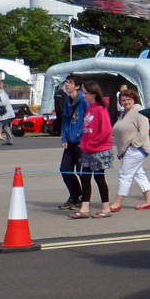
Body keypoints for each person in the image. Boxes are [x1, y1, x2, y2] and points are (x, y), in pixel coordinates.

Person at [72, 81, 114, 219]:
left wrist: (92, 143)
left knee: (99, 177)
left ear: (94, 94)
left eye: (86, 93)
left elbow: (106, 131)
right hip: (88, 149)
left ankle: (106, 208)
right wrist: (84, 143)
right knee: (85, 177)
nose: (84, 95)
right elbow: (87, 130)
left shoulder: (101, 108)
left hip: (99, 149)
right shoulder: (90, 108)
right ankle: (85, 208)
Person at [110, 88, 150, 211]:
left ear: (134, 99)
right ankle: (149, 200)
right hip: (127, 149)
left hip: (136, 149)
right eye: (123, 100)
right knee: (139, 174)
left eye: (129, 99)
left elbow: (145, 129)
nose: (126, 102)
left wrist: (136, 144)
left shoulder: (138, 110)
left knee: (124, 175)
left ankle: (117, 203)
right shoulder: (124, 113)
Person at [58, 75, 88, 210]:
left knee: (82, 172)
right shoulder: (67, 101)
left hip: (81, 141)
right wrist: (64, 137)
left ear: (77, 86)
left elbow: (88, 120)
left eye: (70, 83)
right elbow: (65, 120)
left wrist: (83, 137)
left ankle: (84, 199)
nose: (67, 85)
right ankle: (74, 196)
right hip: (70, 141)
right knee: (65, 169)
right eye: (66, 83)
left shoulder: (83, 100)